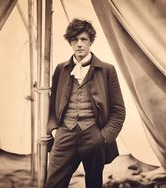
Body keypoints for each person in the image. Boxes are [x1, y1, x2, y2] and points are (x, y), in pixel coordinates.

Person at [45, 18, 125, 188]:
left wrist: (103, 138)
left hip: (94, 136)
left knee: (94, 183)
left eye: (84, 39)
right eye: (75, 40)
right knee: (53, 183)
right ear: (70, 43)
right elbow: (51, 106)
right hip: (64, 134)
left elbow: (119, 110)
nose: (79, 44)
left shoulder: (107, 70)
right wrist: (54, 130)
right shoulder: (61, 69)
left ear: (91, 42)